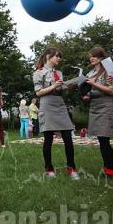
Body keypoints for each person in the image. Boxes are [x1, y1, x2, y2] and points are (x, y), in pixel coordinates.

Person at [33, 47, 79, 180]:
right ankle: (49, 169)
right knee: (48, 139)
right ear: (48, 56)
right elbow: (38, 92)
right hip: (47, 104)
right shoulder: (39, 72)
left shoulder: (59, 72)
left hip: (60, 104)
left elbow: (59, 89)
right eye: (57, 56)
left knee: (68, 138)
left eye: (60, 56)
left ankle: (71, 168)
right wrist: (54, 86)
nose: (59, 58)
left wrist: (67, 87)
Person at [81, 47, 113, 178]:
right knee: (101, 139)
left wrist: (94, 84)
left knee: (104, 139)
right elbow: (91, 90)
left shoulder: (109, 71)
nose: (91, 58)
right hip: (94, 106)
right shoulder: (90, 72)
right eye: (90, 56)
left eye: (94, 56)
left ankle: (111, 170)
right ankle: (108, 168)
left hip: (106, 106)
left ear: (101, 57)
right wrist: (87, 95)